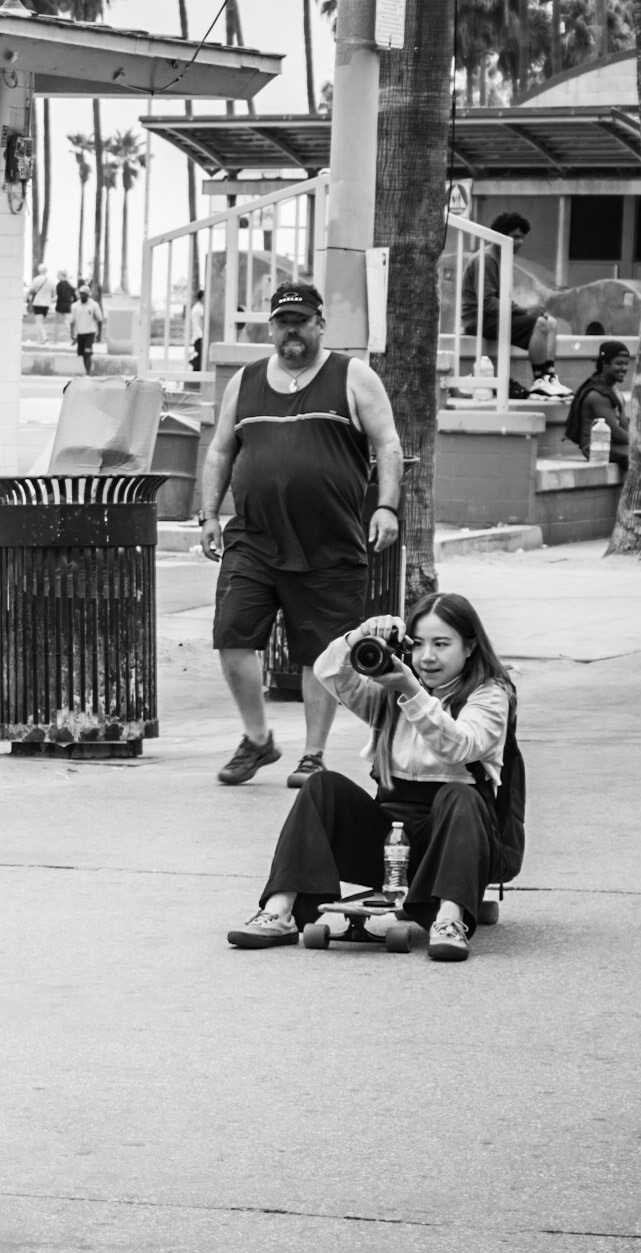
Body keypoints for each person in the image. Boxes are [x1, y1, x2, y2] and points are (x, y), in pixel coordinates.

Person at [226, 593, 514, 963]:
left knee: (459, 796)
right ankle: (280, 910)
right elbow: (328, 672)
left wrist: (412, 692)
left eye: (442, 645)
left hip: (460, 841)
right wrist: (358, 635)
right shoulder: (389, 692)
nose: (427, 657)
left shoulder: (490, 694)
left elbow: (459, 748)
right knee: (321, 785)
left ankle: (449, 919)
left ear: (470, 646)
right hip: (392, 842)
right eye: (419, 644)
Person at [199, 281, 403, 789]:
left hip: (329, 543)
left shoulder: (352, 376)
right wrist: (207, 514)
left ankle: (313, 755)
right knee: (232, 634)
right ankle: (257, 739)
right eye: (283, 322)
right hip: (253, 538)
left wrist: (386, 507)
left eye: (302, 321)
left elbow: (389, 444)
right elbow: (221, 450)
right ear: (271, 328)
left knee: (321, 651)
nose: (292, 330)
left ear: (319, 324)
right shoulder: (245, 381)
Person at [462, 211, 571, 398]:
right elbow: (488, 302)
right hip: (479, 319)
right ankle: (539, 380)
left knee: (550, 322)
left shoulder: (502, 257)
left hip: (495, 316)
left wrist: (524, 312)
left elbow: (503, 299)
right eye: (515, 237)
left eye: (522, 238)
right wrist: (524, 311)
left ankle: (549, 377)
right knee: (539, 323)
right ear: (499, 236)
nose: (519, 242)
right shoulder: (486, 259)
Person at [564, 339, 632, 474]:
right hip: (596, 447)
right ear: (605, 365)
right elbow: (615, 432)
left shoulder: (616, 393)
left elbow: (624, 427)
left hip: (615, 445)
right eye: (619, 363)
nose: (624, 368)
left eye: (626, 364)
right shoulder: (597, 394)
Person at [70, 283, 106, 375]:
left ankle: (88, 373)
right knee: (80, 354)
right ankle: (85, 369)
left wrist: (99, 335)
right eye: (81, 293)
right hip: (80, 332)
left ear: (88, 294)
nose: (82, 295)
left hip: (90, 332)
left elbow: (100, 319)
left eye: (84, 293)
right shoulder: (75, 306)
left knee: (87, 352)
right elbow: (72, 321)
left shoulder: (93, 305)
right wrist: (72, 335)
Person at [25, 265, 57, 344]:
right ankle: (39, 340)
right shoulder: (51, 281)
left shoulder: (36, 279)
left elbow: (31, 290)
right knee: (41, 322)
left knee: (39, 323)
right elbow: (54, 294)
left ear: (39, 271)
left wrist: (25, 299)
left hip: (38, 303)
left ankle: (45, 339)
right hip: (47, 304)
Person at [187, 288, 206, 372]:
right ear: (202, 297)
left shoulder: (201, 308)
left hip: (202, 336)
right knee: (199, 358)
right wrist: (201, 336)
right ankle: (193, 366)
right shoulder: (196, 309)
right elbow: (196, 325)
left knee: (200, 358)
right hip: (199, 337)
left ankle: (193, 364)